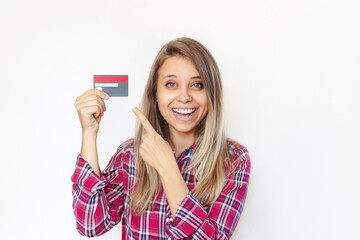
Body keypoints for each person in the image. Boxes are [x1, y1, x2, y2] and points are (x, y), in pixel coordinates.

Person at [71, 37, 251, 239]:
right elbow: (89, 224)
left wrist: (167, 168)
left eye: (198, 85)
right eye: (171, 84)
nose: (184, 97)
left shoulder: (233, 160)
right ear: (155, 93)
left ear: (212, 94)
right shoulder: (130, 155)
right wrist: (89, 133)